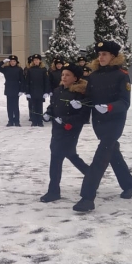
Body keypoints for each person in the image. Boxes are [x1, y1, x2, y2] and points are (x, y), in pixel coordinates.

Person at [71, 41, 132, 212]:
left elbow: (124, 102)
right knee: (112, 152)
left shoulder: (122, 75)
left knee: (100, 159)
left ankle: (87, 197)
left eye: (105, 54)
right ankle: (129, 185)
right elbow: (90, 98)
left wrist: (109, 107)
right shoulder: (94, 76)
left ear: (113, 56)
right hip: (98, 122)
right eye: (99, 54)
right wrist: (81, 103)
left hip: (114, 122)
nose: (101, 57)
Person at [40, 63, 90, 203]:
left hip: (70, 130)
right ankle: (91, 174)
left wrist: (66, 120)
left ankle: (53, 191)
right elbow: (52, 106)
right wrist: (48, 114)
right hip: (57, 129)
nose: (64, 77)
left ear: (75, 78)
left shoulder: (80, 93)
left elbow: (84, 116)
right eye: (63, 74)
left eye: (67, 75)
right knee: (70, 154)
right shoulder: (57, 91)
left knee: (56, 157)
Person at [0, 55, 25, 127]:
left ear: (16, 62)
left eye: (14, 61)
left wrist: (21, 90)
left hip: (16, 88)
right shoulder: (6, 68)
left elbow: (22, 80)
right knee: (9, 106)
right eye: (11, 61)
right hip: (8, 88)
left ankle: (17, 121)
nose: (12, 62)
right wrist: (3, 62)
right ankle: (10, 121)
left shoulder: (19, 69)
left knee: (15, 106)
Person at [25, 54, 50, 127]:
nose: (36, 61)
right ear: (33, 61)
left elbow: (46, 81)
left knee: (39, 106)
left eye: (37, 60)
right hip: (32, 91)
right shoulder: (30, 70)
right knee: (33, 106)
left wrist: (46, 91)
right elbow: (27, 81)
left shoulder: (43, 69)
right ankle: (34, 121)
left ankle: (39, 121)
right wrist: (27, 92)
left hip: (40, 91)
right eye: (34, 60)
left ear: (40, 61)